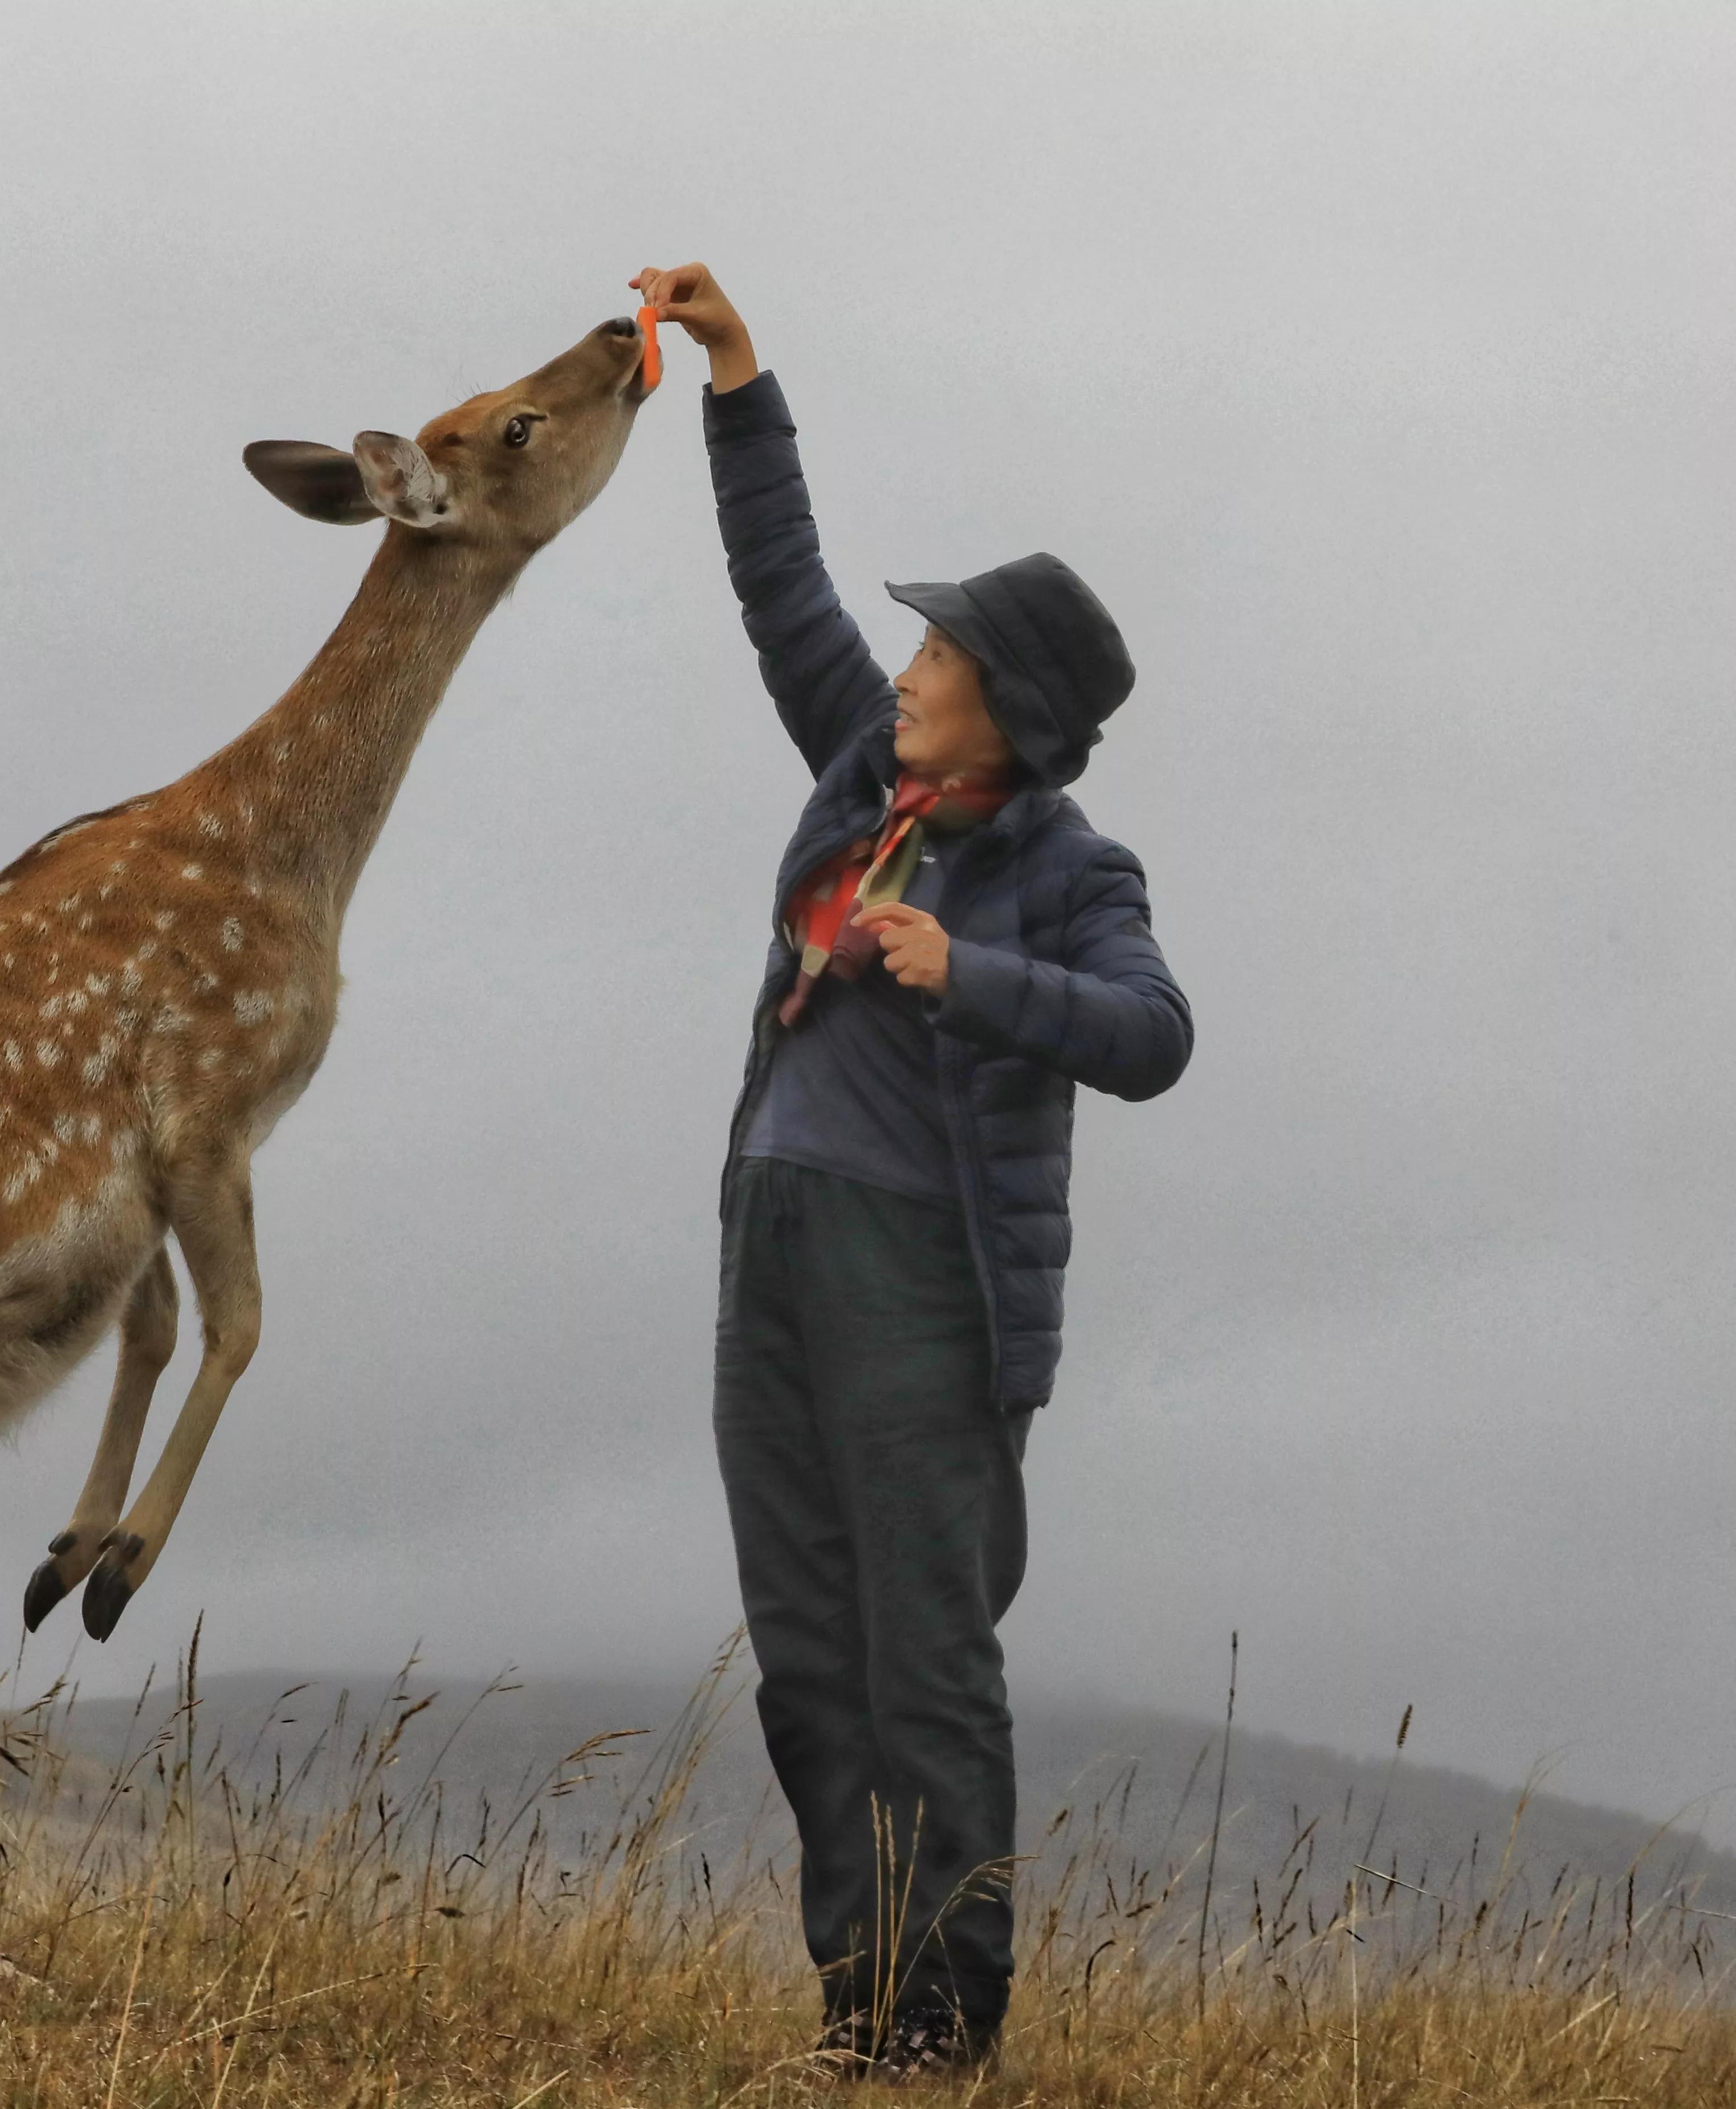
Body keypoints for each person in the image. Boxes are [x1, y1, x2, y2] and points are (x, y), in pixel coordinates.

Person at [633, 262, 1195, 2075]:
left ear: (1005, 711)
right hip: (773, 1248)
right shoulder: (860, 773)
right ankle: (859, 2012)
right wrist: (736, 371)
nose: (907, 668)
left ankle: (948, 2027)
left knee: (925, 1661)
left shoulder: (1071, 873)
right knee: (807, 1653)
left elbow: (1156, 1034)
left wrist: (974, 975)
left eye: (941, 656)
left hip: (920, 1287)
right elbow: (781, 584)